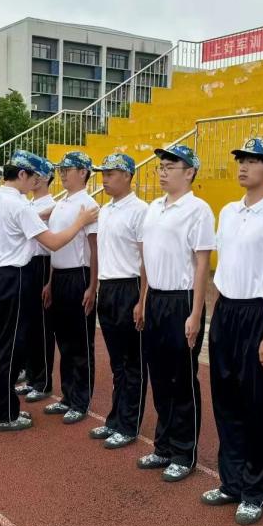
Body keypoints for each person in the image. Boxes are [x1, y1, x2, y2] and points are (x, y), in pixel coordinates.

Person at [201, 138, 263, 526]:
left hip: (258, 313)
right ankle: (231, 481)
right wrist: (214, 313)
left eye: (253, 161)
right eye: (241, 160)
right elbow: (223, 267)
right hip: (226, 311)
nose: (243, 166)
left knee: (258, 406)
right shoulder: (228, 211)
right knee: (225, 400)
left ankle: (256, 490)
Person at [0, 150, 98, 432]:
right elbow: (53, 243)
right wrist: (79, 222)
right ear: (21, 174)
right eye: (33, 177)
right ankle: (4, 414)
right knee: (10, 348)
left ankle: (9, 409)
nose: (36, 182)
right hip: (13, 278)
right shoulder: (19, 205)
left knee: (2, 345)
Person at [136, 143, 215, 482]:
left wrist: (196, 313)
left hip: (181, 300)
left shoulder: (198, 210)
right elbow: (146, 260)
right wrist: (142, 300)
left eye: (171, 166)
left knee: (181, 378)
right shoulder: (154, 208)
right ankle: (163, 445)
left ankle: (184, 452)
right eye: (161, 166)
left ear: (190, 172)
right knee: (158, 375)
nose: (163, 172)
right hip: (155, 298)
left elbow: (202, 265)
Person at [88, 153, 148, 450]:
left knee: (132, 362)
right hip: (108, 288)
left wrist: (142, 299)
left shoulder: (140, 211)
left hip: (130, 288)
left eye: (111, 173)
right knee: (116, 362)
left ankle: (128, 424)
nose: (105, 179)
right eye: (104, 173)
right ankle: (115, 418)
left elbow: (146, 259)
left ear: (127, 176)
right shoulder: (106, 210)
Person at [40, 151, 100, 425]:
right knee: (63, 339)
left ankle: (80, 400)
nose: (62, 173)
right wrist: (50, 282)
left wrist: (92, 286)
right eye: (61, 169)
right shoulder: (61, 203)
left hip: (79, 276)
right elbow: (55, 245)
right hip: (60, 276)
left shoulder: (88, 206)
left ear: (83, 172)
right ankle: (67, 395)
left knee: (80, 342)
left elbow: (94, 249)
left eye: (68, 169)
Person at [20, 159, 58, 403]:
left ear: (45, 177)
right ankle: (32, 376)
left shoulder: (52, 205)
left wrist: (50, 281)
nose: (32, 178)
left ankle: (43, 381)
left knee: (43, 327)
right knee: (29, 325)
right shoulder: (29, 204)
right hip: (27, 264)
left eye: (36, 174)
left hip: (43, 264)